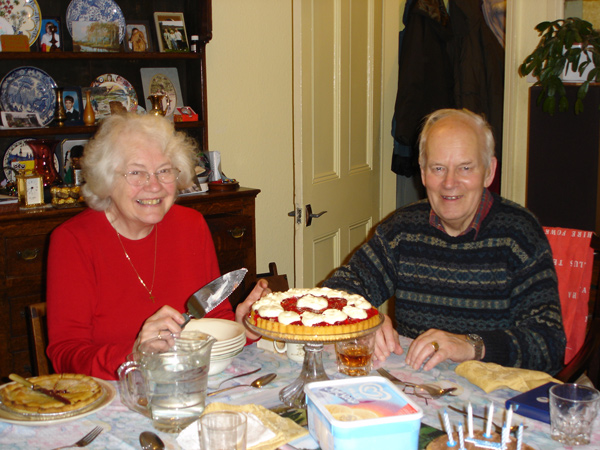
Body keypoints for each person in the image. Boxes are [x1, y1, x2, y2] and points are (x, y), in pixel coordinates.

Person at [323, 108, 566, 375]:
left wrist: (471, 345)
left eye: (465, 168)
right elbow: (337, 290)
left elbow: (549, 345)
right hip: (416, 388)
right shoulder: (402, 229)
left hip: (494, 399)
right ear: (423, 173)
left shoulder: (520, 234)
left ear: (489, 171)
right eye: (438, 168)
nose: (450, 183)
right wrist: (366, 318)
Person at [46, 113, 268, 380]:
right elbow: (66, 356)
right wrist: (136, 354)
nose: (153, 186)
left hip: (192, 384)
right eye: (136, 173)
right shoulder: (73, 240)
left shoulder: (191, 225)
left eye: (164, 171)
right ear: (106, 179)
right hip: (119, 394)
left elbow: (213, 319)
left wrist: (241, 328)